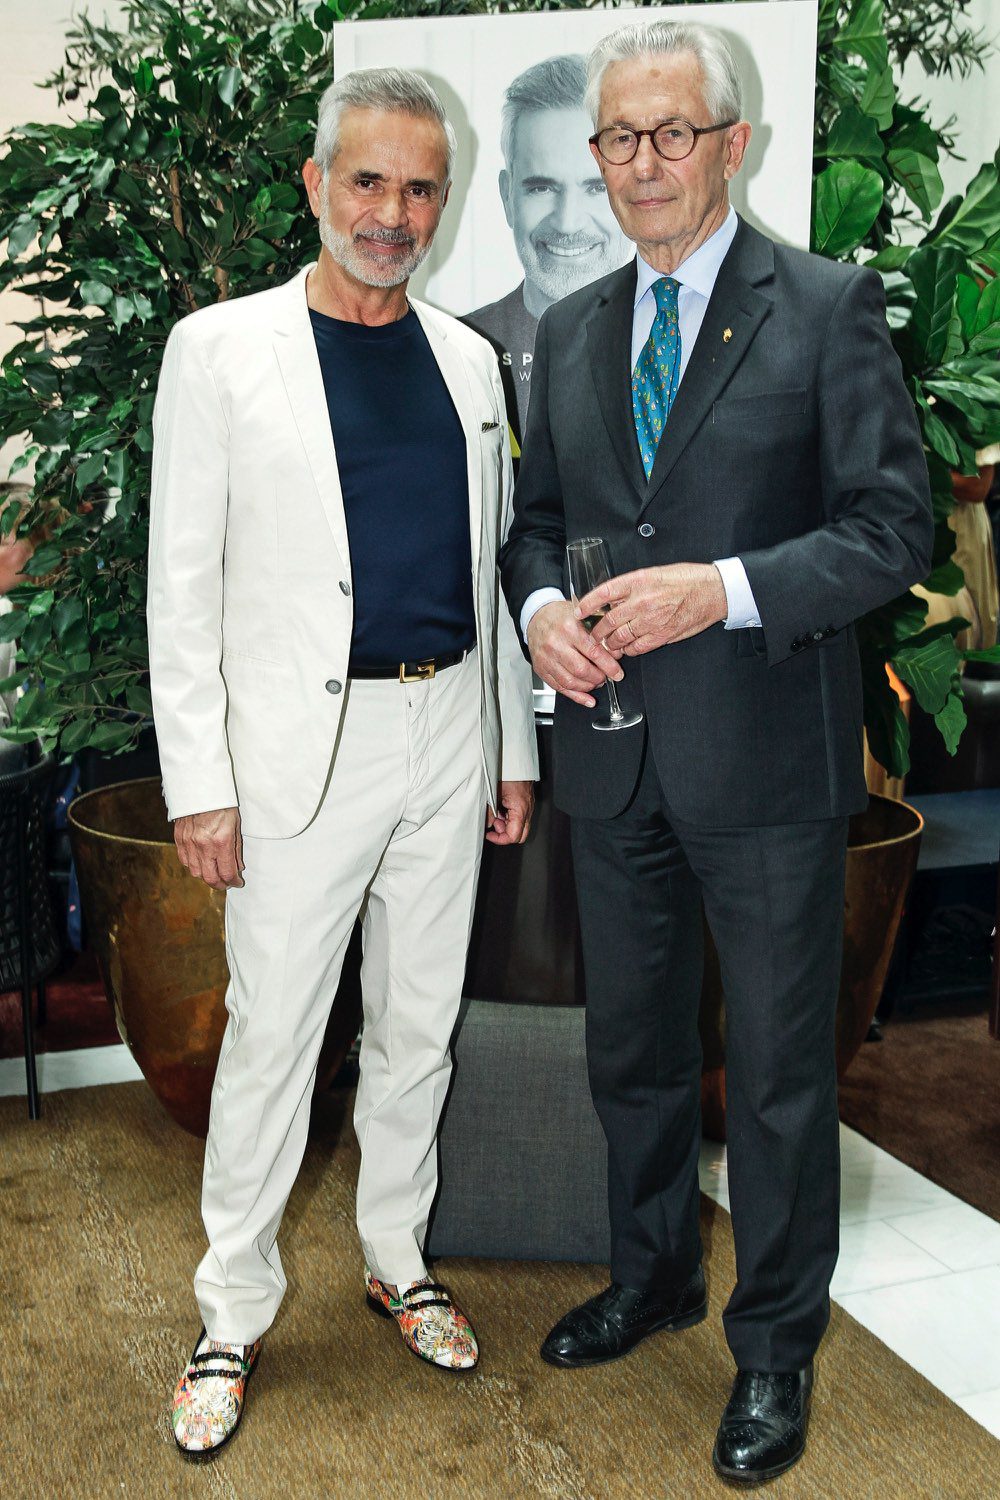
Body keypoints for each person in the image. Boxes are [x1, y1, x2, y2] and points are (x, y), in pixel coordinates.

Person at [500, 19, 932, 1488]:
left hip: (764, 766)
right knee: (629, 1048)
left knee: (779, 1077)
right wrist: (543, 614)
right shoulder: (571, 328)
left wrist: (726, 590)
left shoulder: (824, 306)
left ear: (731, 144)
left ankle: (773, 1349)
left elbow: (893, 528)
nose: (642, 164)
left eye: (671, 133)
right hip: (612, 754)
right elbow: (538, 527)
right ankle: (652, 1277)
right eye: (619, 137)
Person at [148, 66, 537, 1460]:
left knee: (421, 1023)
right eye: (367, 181)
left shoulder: (468, 361)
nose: (392, 213)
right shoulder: (219, 350)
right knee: (276, 1038)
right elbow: (179, 586)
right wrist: (200, 784)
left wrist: (509, 746)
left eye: (420, 189)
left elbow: (489, 575)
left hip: (447, 735)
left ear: (445, 201)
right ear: (317, 184)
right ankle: (230, 1313)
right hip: (295, 757)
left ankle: (396, 1256)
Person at [466, 54, 631, 437]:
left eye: (597, 187)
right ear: (507, 198)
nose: (568, 222)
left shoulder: (681, 343)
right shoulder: (460, 353)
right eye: (541, 188)